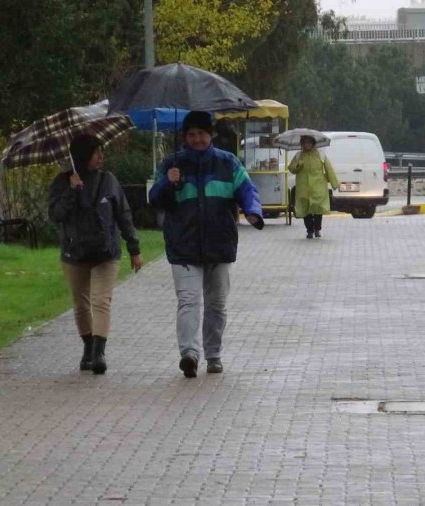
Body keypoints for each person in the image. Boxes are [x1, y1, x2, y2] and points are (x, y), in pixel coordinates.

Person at [149, 110, 264, 378]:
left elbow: (248, 190)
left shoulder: (228, 163)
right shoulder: (171, 165)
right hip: (183, 246)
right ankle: (189, 353)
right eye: (191, 134)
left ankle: (213, 354)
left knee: (216, 304)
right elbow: (154, 198)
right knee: (188, 301)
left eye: (201, 133)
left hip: (219, 244)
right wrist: (169, 182)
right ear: (184, 137)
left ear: (211, 135)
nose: (197, 139)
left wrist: (252, 210)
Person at [48, 135, 143, 375]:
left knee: (101, 301)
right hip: (74, 254)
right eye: (96, 152)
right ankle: (88, 348)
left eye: (101, 152)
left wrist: (134, 249)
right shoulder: (61, 182)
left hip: (106, 252)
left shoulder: (108, 180)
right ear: (82, 156)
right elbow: (56, 215)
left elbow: (123, 214)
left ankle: (99, 353)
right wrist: (71, 190)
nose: (101, 157)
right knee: (81, 304)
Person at [288, 135, 339, 239]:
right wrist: (298, 166)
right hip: (303, 188)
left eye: (309, 142)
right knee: (305, 210)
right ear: (302, 144)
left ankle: (317, 229)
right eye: (305, 143)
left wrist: (335, 184)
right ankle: (309, 230)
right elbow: (291, 168)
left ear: (313, 143)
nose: (307, 145)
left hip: (318, 187)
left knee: (318, 209)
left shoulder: (321, 155)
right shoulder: (298, 156)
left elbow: (329, 169)